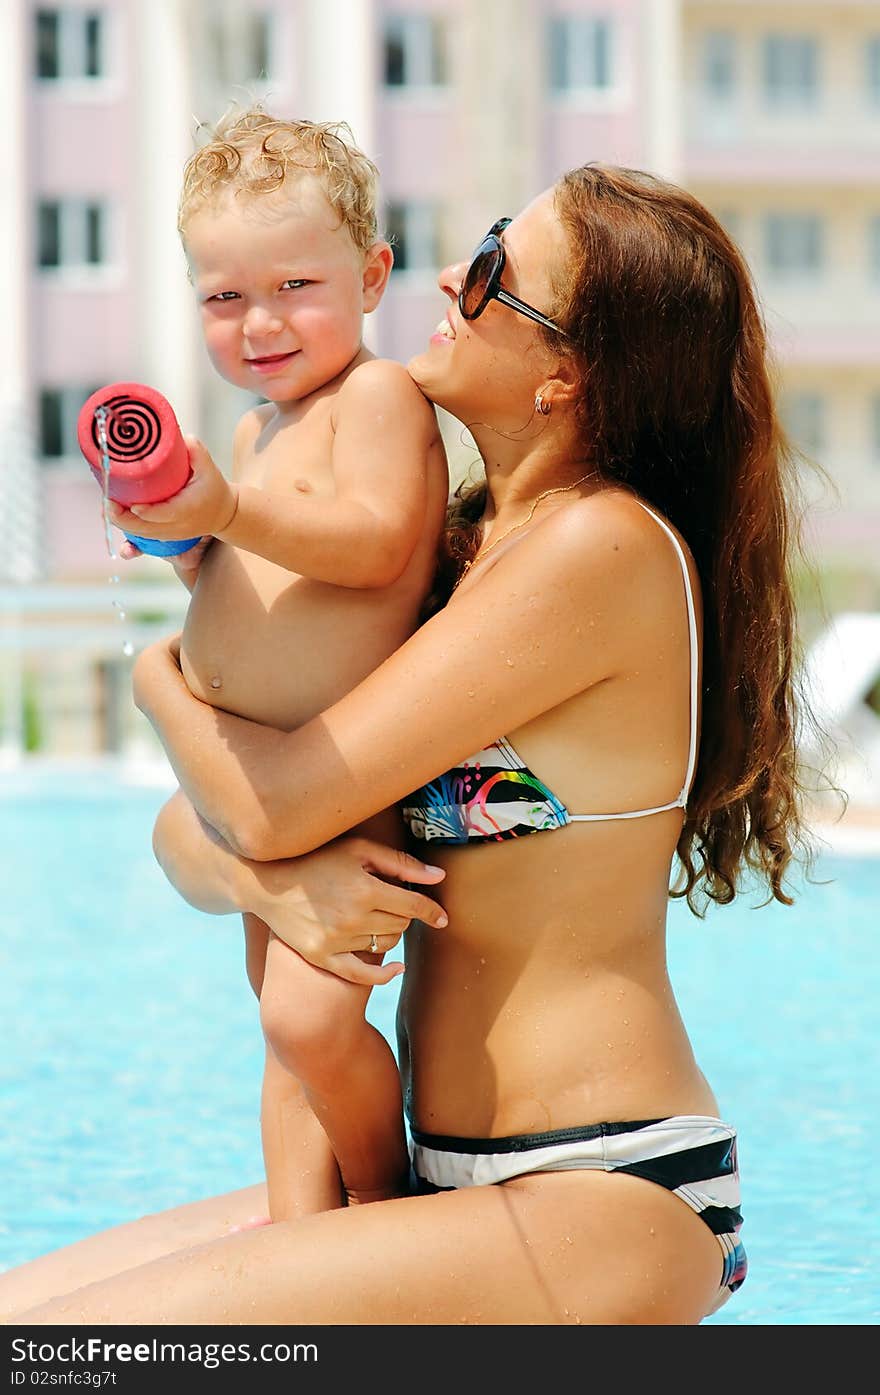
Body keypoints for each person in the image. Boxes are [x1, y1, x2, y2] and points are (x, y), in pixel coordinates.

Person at [3, 162, 816, 1325]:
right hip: (425, 1178)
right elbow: (190, 834)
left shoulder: (605, 551)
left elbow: (269, 801)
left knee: (58, 1350)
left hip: (593, 1187)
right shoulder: (447, 552)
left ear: (565, 375)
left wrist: (154, 681)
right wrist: (276, 880)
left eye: (492, 272)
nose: (448, 274)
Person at [105, 105, 450, 1218]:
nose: (259, 322)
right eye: (223, 296)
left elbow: (376, 545)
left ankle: (385, 1207)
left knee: (311, 1018)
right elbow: (247, 593)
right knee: (281, 1028)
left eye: (295, 286)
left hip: (341, 779)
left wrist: (234, 510)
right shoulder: (257, 431)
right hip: (257, 777)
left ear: (371, 274)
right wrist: (181, 542)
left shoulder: (378, 399)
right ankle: (300, 1232)